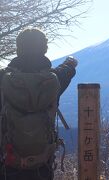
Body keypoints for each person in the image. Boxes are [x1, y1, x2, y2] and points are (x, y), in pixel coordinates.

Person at [0, 28, 78, 180]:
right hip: (42, 166)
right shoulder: (54, 81)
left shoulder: (3, 79)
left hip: (7, 166)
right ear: (45, 49)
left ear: (18, 49)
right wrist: (71, 62)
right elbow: (66, 70)